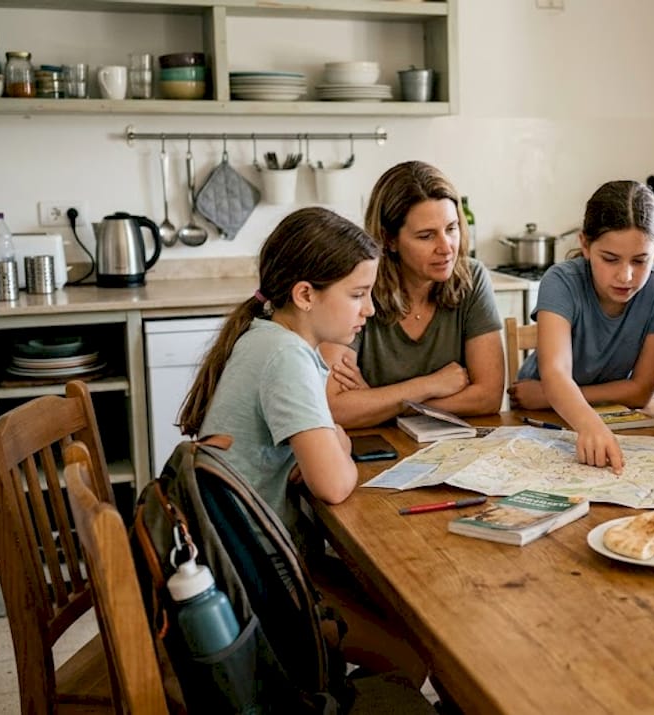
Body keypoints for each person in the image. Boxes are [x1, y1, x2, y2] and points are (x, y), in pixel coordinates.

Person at [176, 207, 427, 684]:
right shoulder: (285, 357)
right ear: (305, 294)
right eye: (357, 295)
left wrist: (329, 441)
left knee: (407, 615)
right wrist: (337, 441)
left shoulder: (268, 337)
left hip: (244, 560)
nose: (369, 309)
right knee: (412, 654)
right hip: (258, 582)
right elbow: (333, 485)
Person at [508, 180, 654, 472]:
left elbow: (642, 391)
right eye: (610, 259)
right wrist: (580, 417)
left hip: (587, 410)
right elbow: (555, 374)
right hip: (538, 412)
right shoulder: (560, 281)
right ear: (585, 245)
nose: (626, 276)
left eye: (641, 260)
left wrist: (549, 396)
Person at [321, 161, 504, 428]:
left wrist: (383, 402)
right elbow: (334, 408)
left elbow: (488, 397)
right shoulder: (357, 286)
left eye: (451, 229)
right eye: (426, 236)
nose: (446, 248)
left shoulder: (472, 277)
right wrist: (432, 384)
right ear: (390, 240)